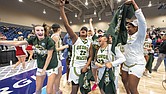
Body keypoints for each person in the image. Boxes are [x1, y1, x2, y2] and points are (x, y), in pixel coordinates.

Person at [0, 25, 58, 94]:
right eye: (38, 30)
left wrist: (44, 70)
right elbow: (17, 43)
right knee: (37, 90)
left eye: (42, 30)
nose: (40, 32)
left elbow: (49, 56)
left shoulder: (49, 40)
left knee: (49, 89)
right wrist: (1, 42)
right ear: (34, 32)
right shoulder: (33, 39)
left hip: (52, 66)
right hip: (41, 66)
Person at [59, 0, 93, 94]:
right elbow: (66, 25)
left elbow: (91, 56)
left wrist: (86, 66)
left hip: (84, 66)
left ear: (87, 33)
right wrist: (61, 8)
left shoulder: (89, 42)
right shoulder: (75, 39)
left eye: (85, 30)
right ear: (79, 32)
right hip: (75, 67)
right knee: (74, 90)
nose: (83, 30)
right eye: (82, 29)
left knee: (85, 90)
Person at [121, 0, 147, 94]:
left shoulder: (140, 35)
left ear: (136, 28)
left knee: (133, 88)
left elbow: (142, 22)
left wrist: (134, 4)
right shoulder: (127, 36)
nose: (128, 28)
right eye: (128, 27)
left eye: (130, 27)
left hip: (137, 64)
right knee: (124, 81)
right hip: (126, 63)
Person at [51, 23, 69, 94]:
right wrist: (65, 46)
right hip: (55, 58)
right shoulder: (56, 36)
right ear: (59, 29)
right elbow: (54, 49)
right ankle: (56, 90)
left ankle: (56, 89)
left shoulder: (54, 36)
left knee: (58, 74)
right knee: (58, 75)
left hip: (57, 58)